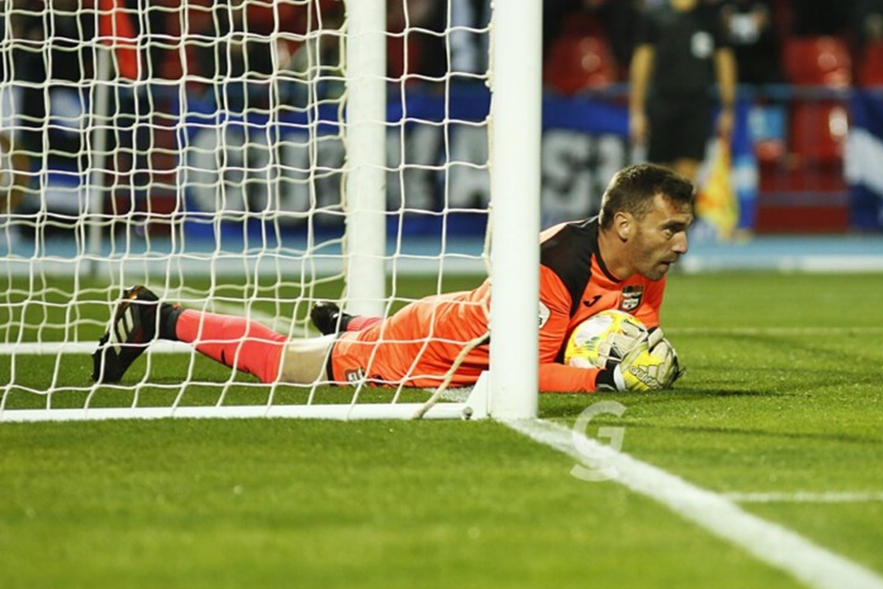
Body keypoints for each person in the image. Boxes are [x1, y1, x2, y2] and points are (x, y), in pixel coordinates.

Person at [91, 164, 690, 393]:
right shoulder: (555, 266)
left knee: (353, 339)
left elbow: (639, 327)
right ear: (623, 224)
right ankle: (159, 316)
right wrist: (606, 381)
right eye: (670, 230)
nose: (681, 244)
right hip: (433, 351)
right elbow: (521, 373)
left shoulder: (646, 259)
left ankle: (352, 324)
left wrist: (652, 357)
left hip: (465, 321)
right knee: (292, 366)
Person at [628, 0, 737, 182]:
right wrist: (636, 111)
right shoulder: (655, 16)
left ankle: (682, 210)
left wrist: (728, 109)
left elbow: (724, 61)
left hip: (697, 105)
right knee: (659, 178)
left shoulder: (710, 18)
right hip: (662, 103)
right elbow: (642, 61)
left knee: (686, 181)